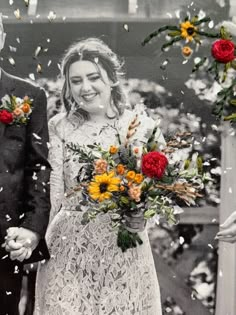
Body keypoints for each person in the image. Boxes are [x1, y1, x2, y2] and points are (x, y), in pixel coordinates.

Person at [34, 37, 164, 315]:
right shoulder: (58, 127)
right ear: (68, 87)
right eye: (76, 80)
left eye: (93, 77)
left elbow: (159, 190)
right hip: (69, 251)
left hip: (125, 250)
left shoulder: (140, 126)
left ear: (111, 79)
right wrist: (35, 240)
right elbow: (52, 193)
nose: (86, 87)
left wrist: (144, 215)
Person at [0, 14, 51, 315]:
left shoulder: (29, 96)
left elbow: (39, 167)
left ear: (2, 38)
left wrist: (32, 229)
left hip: (5, 240)